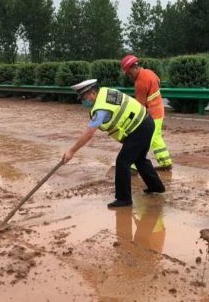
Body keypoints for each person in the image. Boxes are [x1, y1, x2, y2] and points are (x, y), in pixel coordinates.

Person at [62, 79, 166, 208]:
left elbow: (89, 133)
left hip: (139, 128)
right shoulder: (105, 92)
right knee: (139, 159)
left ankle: (124, 199)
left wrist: (71, 151)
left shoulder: (101, 108)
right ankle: (156, 187)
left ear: (92, 93)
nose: (82, 100)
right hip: (145, 122)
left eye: (83, 97)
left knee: (123, 162)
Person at [120, 55, 173, 170]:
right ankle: (166, 162)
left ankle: (133, 166)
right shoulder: (149, 72)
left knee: (144, 138)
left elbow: (140, 105)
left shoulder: (140, 82)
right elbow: (158, 81)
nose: (128, 76)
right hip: (158, 109)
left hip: (153, 113)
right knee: (155, 137)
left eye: (129, 73)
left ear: (133, 68)